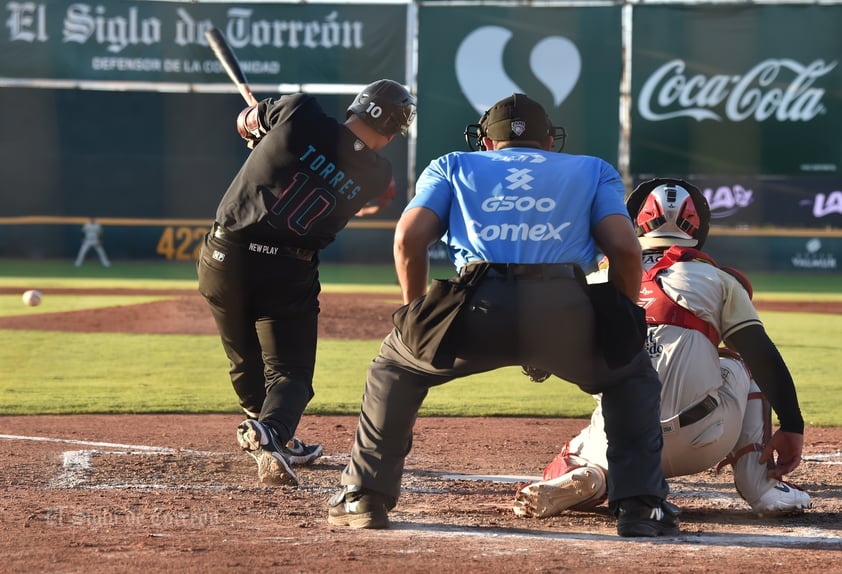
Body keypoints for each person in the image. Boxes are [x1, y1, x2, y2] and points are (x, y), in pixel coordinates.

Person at [327, 93, 680, 538]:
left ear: (488, 145)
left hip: (477, 302)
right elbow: (627, 250)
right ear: (549, 142)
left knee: (394, 368)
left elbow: (408, 240)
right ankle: (641, 508)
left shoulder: (453, 164)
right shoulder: (592, 168)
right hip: (565, 308)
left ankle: (364, 497)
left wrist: (415, 315)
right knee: (630, 375)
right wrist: (621, 320)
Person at [512, 178, 811, 519]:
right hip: (703, 440)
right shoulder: (717, 280)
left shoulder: (596, 282)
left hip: (623, 440)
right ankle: (760, 485)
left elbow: (537, 362)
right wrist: (792, 425)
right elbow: (765, 358)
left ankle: (595, 475)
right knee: (739, 363)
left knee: (588, 443)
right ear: (698, 227)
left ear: (635, 223)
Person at [196, 79, 417, 487]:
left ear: (356, 106)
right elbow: (354, 182)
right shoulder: (375, 171)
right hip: (287, 270)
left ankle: (270, 435)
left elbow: (245, 122)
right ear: (391, 133)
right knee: (291, 375)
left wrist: (263, 131)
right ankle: (273, 431)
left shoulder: (299, 110)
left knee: (245, 363)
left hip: (224, 256)